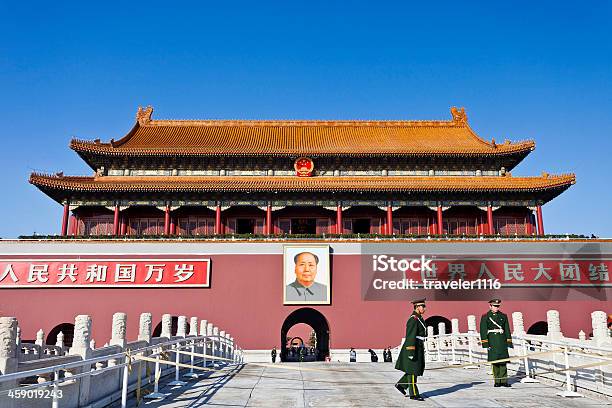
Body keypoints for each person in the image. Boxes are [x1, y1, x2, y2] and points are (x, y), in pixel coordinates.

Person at [395, 298, 427, 401]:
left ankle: (401, 385)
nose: (425, 308)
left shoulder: (419, 318)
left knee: (414, 369)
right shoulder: (413, 319)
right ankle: (414, 394)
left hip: (418, 346)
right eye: (423, 306)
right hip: (413, 347)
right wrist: (410, 351)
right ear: (417, 307)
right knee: (413, 371)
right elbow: (410, 336)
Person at [479, 299, 513, 387]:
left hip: (502, 340)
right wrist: (485, 343)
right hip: (492, 340)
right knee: (495, 362)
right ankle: (497, 381)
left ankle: (504, 381)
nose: (496, 308)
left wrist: (508, 341)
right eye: (495, 306)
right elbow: (483, 330)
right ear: (490, 306)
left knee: (503, 361)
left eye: (498, 306)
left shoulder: (503, 316)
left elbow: (507, 329)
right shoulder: (485, 316)